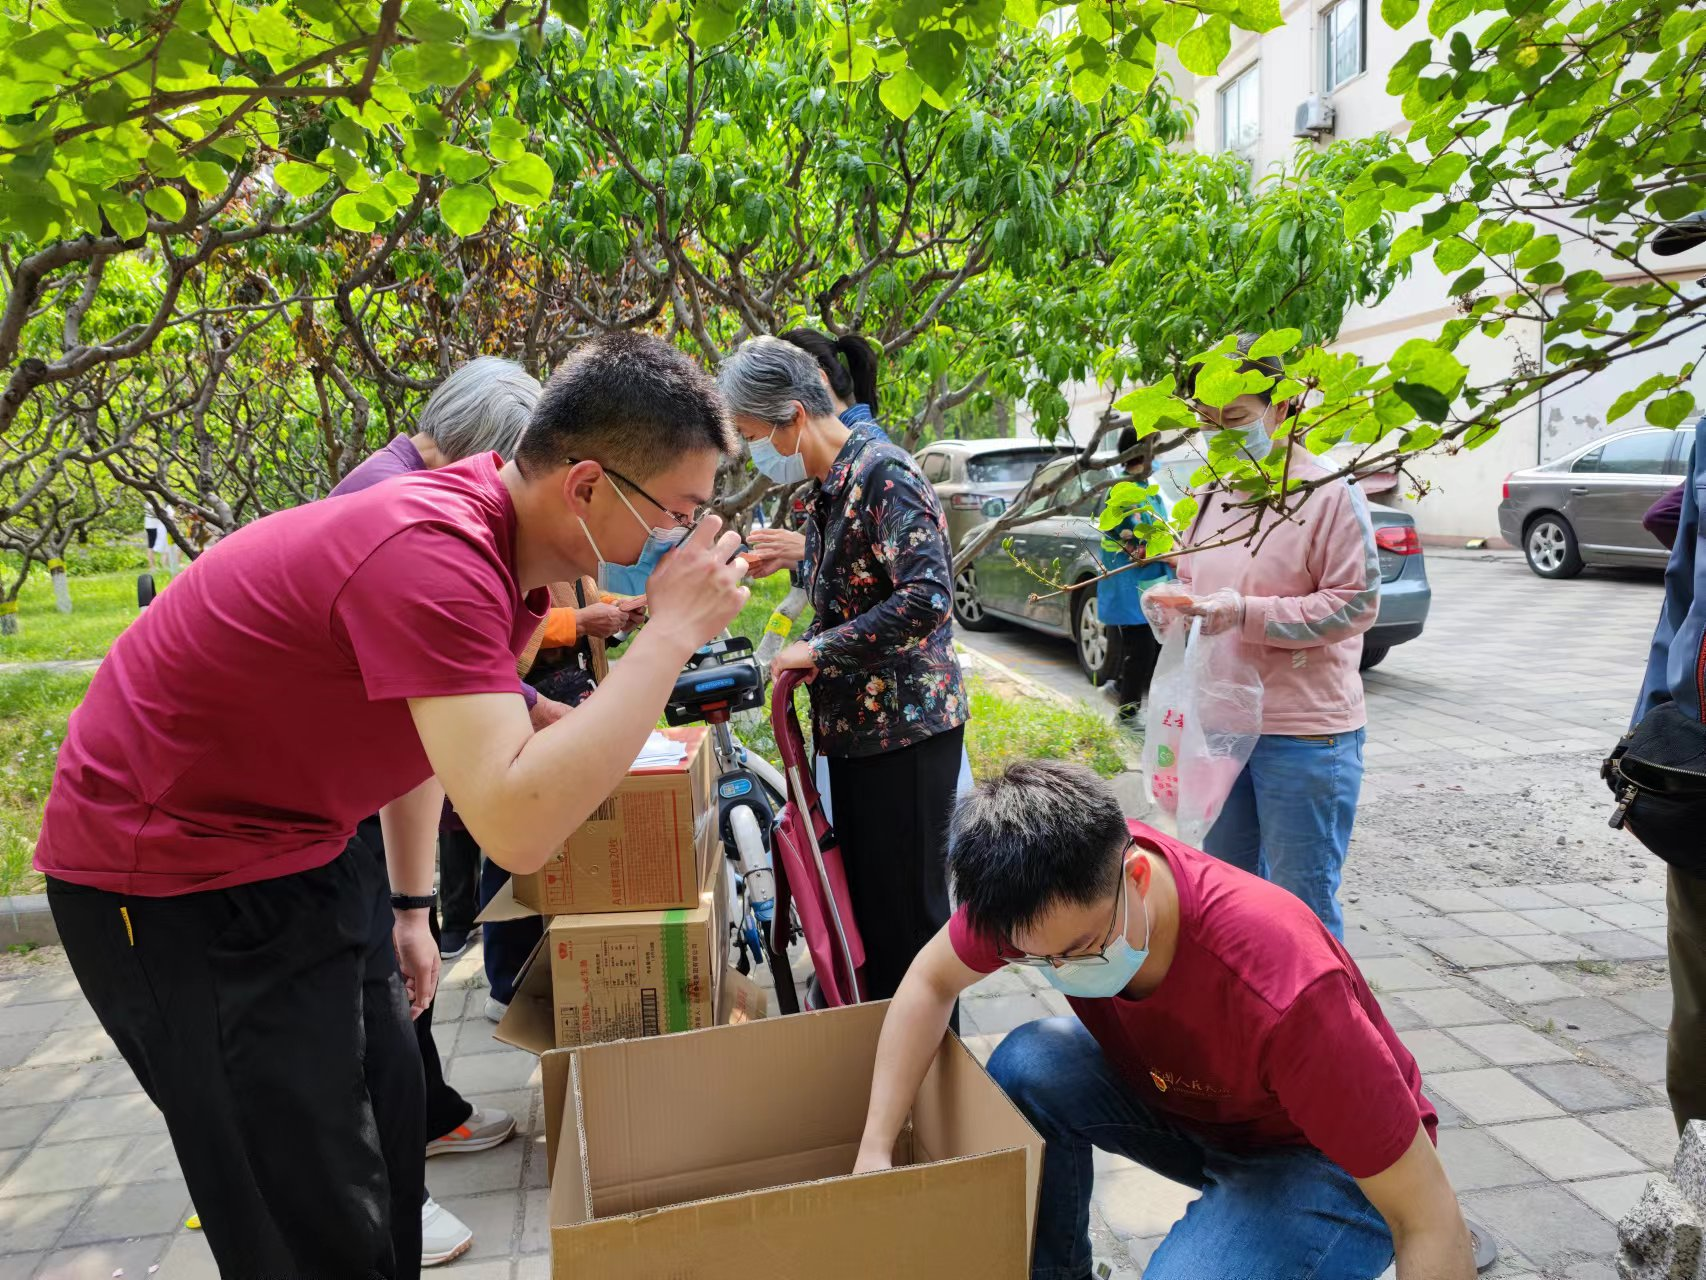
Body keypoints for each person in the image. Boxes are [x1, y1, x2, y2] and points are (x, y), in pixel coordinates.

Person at [36, 332, 749, 1279]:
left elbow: (446, 728)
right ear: (586, 488)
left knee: (388, 1121)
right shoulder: (434, 551)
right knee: (301, 1199)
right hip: (171, 874)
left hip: (304, 840)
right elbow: (516, 821)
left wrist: (411, 909)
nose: (678, 542)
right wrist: (670, 634)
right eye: (677, 515)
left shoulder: (505, 553)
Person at [854, 760, 1472, 1280]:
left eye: (1079, 952)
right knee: (1028, 1063)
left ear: (1138, 877)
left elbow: (1427, 1213)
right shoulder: (1030, 894)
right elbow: (928, 981)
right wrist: (876, 1150)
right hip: (1195, 1107)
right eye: (1037, 958)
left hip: (1319, 1157)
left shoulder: (1285, 989)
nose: (1062, 971)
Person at [719, 336, 967, 1005]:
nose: (758, 454)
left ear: (793, 415)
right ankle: (883, 1054)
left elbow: (927, 598)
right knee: (871, 917)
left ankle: (936, 1085)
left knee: (912, 923)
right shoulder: (827, 490)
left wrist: (819, 651)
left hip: (907, 738)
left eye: (754, 435)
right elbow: (858, 582)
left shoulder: (885, 473)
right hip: (857, 737)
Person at [1144, 336, 1380, 939]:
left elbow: (1356, 603)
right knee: (1225, 898)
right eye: (1211, 422)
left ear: (1281, 409)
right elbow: (1197, 581)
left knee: (1302, 909)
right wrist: (1173, 606)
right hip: (1223, 726)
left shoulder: (1327, 492)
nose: (1224, 435)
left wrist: (1244, 612)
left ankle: (1317, 1030)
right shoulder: (1210, 492)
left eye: (1239, 419)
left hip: (1303, 734)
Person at [1631, 411, 1706, 1135]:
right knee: (1699, 1012)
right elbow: (1681, 592)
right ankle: (1696, 1180)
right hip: (1703, 777)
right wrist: (1651, 736)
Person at [745, 329, 888, 576]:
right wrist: (801, 561)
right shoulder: (840, 463)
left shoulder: (877, 464)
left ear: (818, 381)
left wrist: (811, 549)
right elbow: (854, 585)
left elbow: (915, 595)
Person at [1096, 426, 1174, 723]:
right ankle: (1127, 715)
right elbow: (1140, 542)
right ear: (1140, 451)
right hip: (1133, 586)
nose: (1158, 454)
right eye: (1154, 446)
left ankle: (1123, 696)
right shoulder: (1126, 491)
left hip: (1148, 585)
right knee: (1140, 650)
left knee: (1147, 650)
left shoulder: (1145, 489)